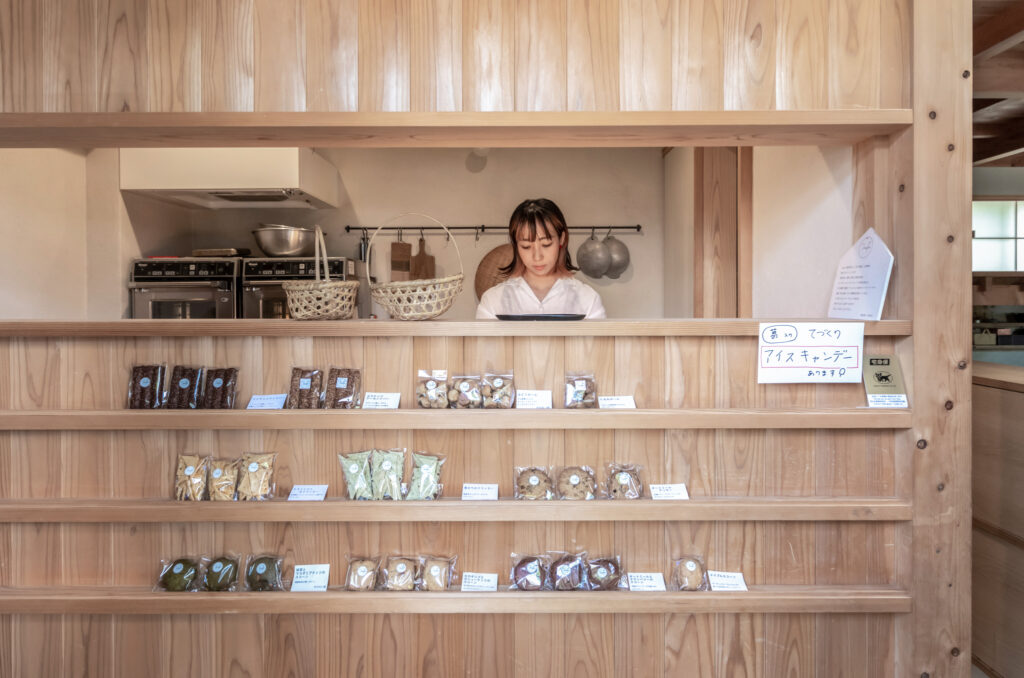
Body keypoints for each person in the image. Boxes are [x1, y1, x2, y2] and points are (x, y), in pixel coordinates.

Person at [476, 198, 606, 319]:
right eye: (526, 246)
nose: (537, 257)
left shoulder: (588, 300)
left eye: (546, 244)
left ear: (562, 238)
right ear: (516, 245)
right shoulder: (493, 301)